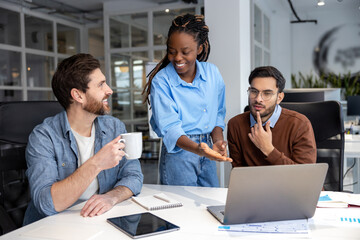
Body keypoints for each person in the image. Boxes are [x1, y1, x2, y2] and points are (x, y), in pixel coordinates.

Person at [23, 53, 143, 225]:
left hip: (99, 222)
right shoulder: (44, 137)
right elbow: (46, 203)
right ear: (78, 96)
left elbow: (134, 176)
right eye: (101, 85)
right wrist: (97, 163)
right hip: (54, 227)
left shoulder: (114, 127)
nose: (109, 90)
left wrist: (111, 197)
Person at [142, 14, 232, 187]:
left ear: (199, 48)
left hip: (207, 147)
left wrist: (218, 141)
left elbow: (218, 113)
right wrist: (198, 150)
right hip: (179, 153)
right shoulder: (162, 81)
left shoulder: (212, 73)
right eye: (172, 51)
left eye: (185, 52)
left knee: (211, 205)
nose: (177, 58)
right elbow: (169, 128)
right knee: (181, 210)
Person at [227, 66, 316, 167]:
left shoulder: (300, 124)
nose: (258, 99)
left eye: (267, 93)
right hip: (253, 183)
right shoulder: (235, 124)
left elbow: (305, 176)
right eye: (254, 91)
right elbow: (239, 175)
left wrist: (268, 149)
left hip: (290, 183)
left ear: (279, 97)